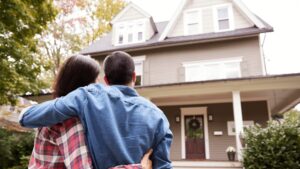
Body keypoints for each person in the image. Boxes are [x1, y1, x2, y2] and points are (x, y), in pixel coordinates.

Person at [19, 51, 173, 169]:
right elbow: (163, 165)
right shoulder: (158, 116)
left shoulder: (86, 98)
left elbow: (27, 118)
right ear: (134, 76)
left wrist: (24, 114)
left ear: (106, 79)